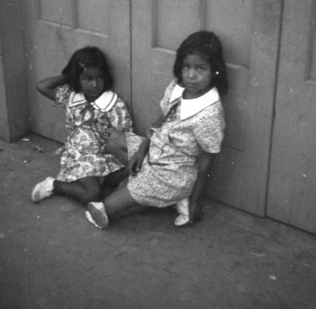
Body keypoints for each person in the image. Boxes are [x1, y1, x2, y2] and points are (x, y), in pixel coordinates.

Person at [85, 31, 227, 229]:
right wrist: (142, 151)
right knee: (113, 140)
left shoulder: (210, 113)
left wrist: (195, 200)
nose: (191, 75)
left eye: (200, 69)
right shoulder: (177, 87)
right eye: (186, 66)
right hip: (154, 152)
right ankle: (148, 190)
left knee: (105, 210)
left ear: (215, 71)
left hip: (172, 173)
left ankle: (175, 197)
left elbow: (206, 159)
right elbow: (160, 121)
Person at [31, 46, 133, 205]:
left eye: (99, 78)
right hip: (82, 155)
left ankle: (102, 181)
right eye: (88, 78)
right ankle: (53, 185)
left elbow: (124, 136)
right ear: (77, 78)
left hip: (107, 155)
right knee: (92, 195)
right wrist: (69, 77)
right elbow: (42, 86)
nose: (95, 84)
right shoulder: (71, 96)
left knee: (122, 181)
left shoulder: (114, 103)